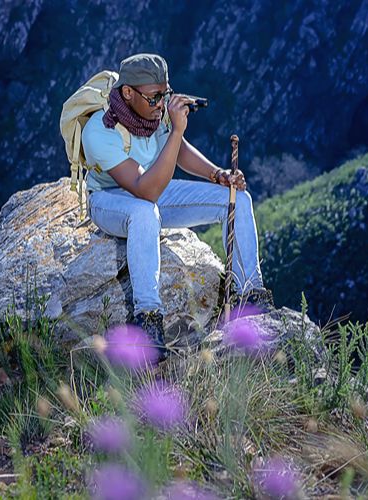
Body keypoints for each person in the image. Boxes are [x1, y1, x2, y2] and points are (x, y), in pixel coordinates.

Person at [81, 53, 273, 360]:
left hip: (152, 187)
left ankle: (248, 293)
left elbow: (176, 150)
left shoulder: (153, 111)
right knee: (144, 214)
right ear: (127, 92)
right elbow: (147, 191)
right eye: (154, 97)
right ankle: (148, 319)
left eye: (165, 94)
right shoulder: (99, 131)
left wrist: (217, 175)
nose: (161, 104)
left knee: (237, 200)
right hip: (112, 199)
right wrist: (178, 130)